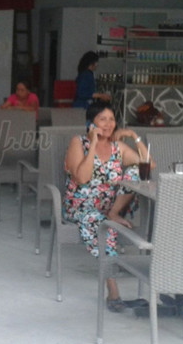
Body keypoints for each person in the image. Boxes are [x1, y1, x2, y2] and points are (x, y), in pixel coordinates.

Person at [64, 101, 155, 312]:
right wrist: (93, 144)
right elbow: (82, 178)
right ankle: (113, 290)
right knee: (102, 225)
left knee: (135, 172)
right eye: (102, 119)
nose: (108, 124)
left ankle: (113, 214)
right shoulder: (78, 142)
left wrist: (134, 136)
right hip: (82, 208)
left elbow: (148, 165)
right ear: (91, 123)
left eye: (112, 119)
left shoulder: (118, 147)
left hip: (110, 206)